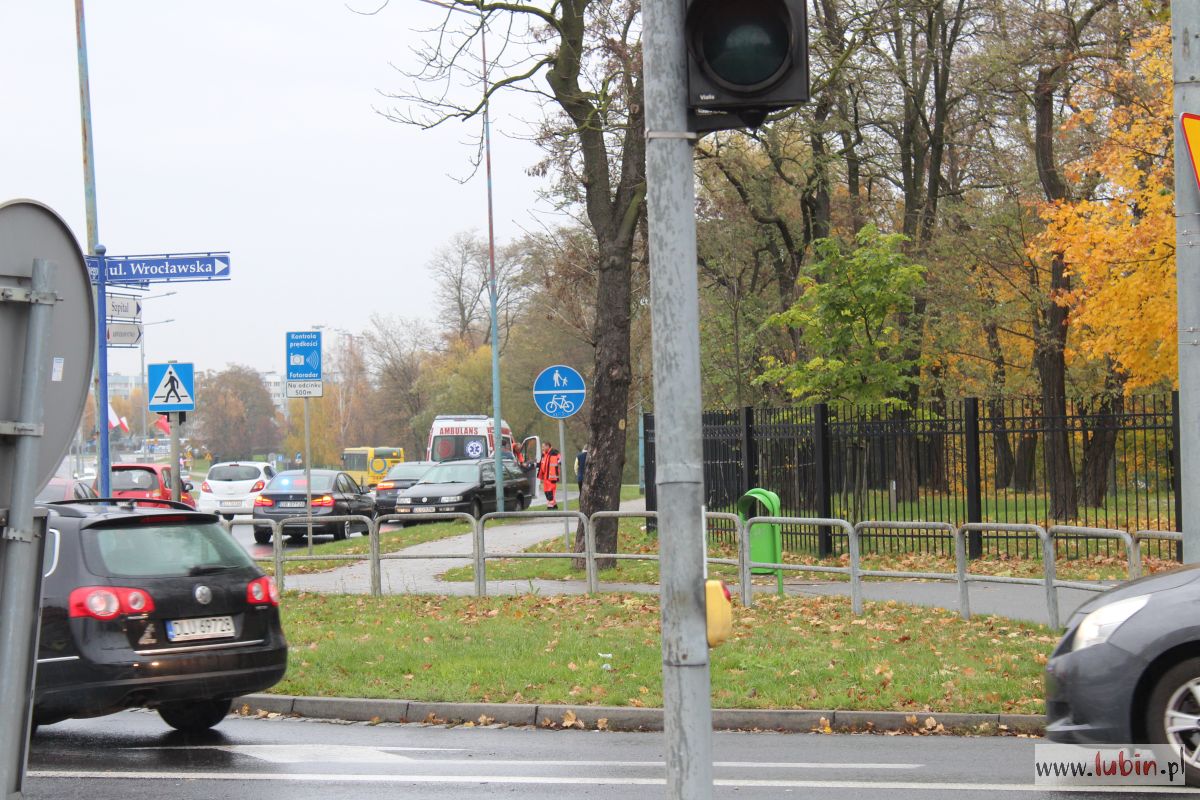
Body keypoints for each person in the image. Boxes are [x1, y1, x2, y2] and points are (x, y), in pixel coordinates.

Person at [537, 441, 561, 510]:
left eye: (543, 447)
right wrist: (533, 465)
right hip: (545, 477)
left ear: (547, 446)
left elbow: (560, 459)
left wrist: (559, 462)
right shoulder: (544, 454)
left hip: (552, 477)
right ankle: (554, 505)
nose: (542, 448)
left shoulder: (554, 452)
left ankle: (551, 506)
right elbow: (541, 464)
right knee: (546, 491)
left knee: (550, 492)